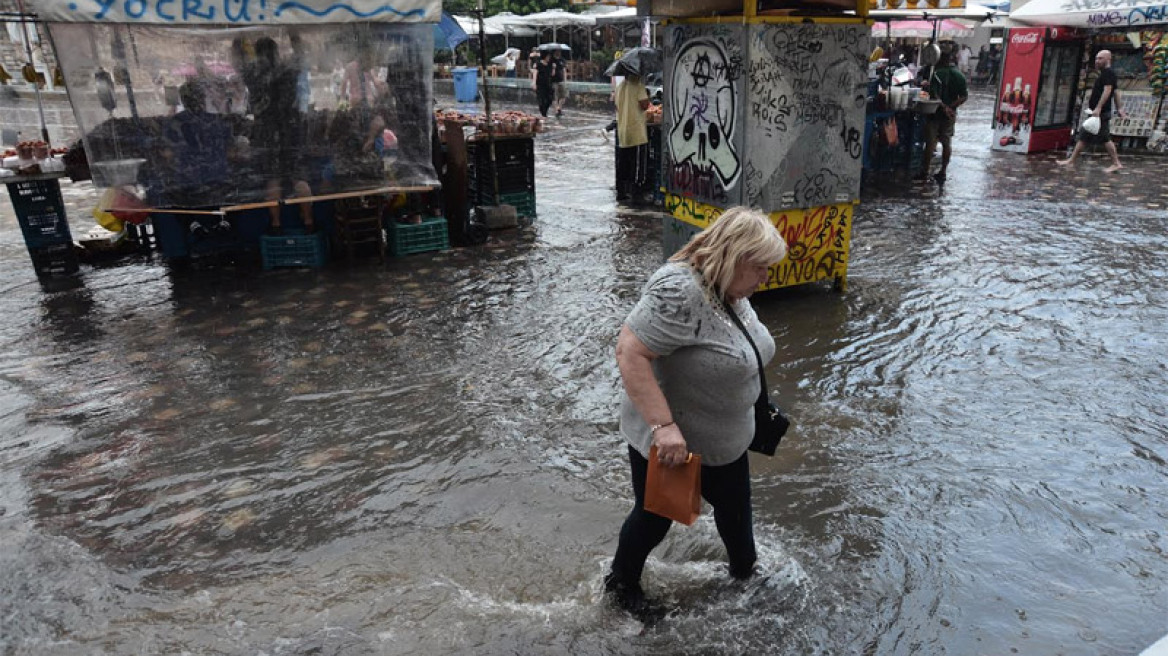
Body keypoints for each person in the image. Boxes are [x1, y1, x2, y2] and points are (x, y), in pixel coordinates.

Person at [605, 207, 789, 620]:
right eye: (760, 267)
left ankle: (745, 575)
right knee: (656, 518)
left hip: (726, 440)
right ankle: (620, 588)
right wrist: (664, 428)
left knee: (737, 511)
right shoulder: (680, 293)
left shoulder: (731, 289)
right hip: (676, 442)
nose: (766, 278)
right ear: (734, 256)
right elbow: (629, 353)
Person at [1058, 49, 1126, 173]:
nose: (1097, 61)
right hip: (1096, 112)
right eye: (1096, 58)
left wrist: (1099, 108)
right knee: (1084, 135)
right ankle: (1071, 160)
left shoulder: (1108, 73)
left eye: (1100, 58)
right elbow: (1116, 92)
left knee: (1104, 138)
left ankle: (1116, 163)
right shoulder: (1105, 73)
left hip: (1100, 113)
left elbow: (1109, 90)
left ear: (1108, 59)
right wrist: (1119, 108)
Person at [917, 50, 968, 185]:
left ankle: (925, 171)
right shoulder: (960, 75)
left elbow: (935, 94)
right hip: (950, 115)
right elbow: (964, 96)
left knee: (930, 142)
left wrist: (943, 106)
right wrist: (951, 107)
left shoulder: (937, 74)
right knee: (947, 143)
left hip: (934, 113)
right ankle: (943, 171)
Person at [614, 74, 651, 203]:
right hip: (637, 131)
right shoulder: (638, 86)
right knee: (637, 163)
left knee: (623, 163)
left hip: (623, 130)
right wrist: (648, 96)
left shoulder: (620, 87)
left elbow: (617, 106)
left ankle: (621, 191)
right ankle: (636, 191)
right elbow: (645, 105)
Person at [532, 51, 554, 118]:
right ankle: (543, 113)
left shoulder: (550, 64)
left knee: (550, 99)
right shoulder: (538, 64)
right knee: (541, 99)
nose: (549, 58)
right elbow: (535, 73)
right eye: (548, 57)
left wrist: (553, 68)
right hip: (540, 84)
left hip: (548, 84)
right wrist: (534, 82)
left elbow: (552, 74)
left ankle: (545, 111)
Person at [551, 50, 569, 118]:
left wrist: (565, 81)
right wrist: (553, 68)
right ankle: (556, 111)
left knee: (563, 96)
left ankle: (559, 108)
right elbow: (551, 74)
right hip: (553, 81)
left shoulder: (562, 60)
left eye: (559, 52)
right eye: (557, 52)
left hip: (561, 81)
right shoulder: (551, 60)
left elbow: (564, 70)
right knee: (554, 97)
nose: (558, 53)